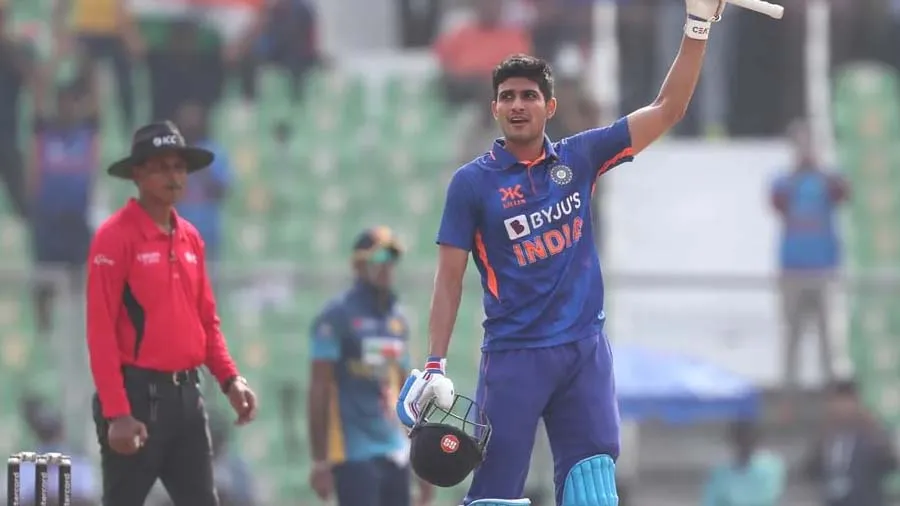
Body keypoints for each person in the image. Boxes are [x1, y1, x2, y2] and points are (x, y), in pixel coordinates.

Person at [396, 0, 726, 503]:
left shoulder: (581, 156)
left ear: (550, 107)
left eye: (529, 95)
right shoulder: (471, 184)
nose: (517, 105)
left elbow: (668, 109)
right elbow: (449, 279)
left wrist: (697, 26)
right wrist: (436, 363)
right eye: (507, 96)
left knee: (593, 486)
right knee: (495, 495)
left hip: (583, 351)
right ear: (495, 108)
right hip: (514, 357)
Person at [85, 121, 259, 506]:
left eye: (179, 167)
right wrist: (117, 413)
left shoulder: (190, 238)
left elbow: (206, 322)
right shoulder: (114, 237)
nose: (174, 176)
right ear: (137, 174)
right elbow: (100, 331)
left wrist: (230, 380)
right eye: (161, 167)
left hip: (188, 398)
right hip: (137, 399)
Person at [308, 227, 434, 506]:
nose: (386, 267)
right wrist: (320, 461)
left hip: (396, 452)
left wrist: (421, 460)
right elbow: (319, 388)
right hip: (353, 455)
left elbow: (407, 393)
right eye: (378, 259)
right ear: (358, 265)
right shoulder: (336, 317)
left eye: (391, 259)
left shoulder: (397, 319)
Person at [770, 119, 848, 415]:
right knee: (792, 334)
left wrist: (820, 168)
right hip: (792, 269)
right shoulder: (785, 179)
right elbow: (776, 202)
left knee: (827, 335)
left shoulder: (827, 179)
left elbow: (843, 193)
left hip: (822, 269)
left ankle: (831, 396)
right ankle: (789, 397)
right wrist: (797, 171)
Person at [805, 379, 898, 506]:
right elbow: (811, 469)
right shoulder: (825, 436)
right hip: (834, 501)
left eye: (846, 402)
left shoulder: (871, 435)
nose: (842, 407)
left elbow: (889, 464)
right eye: (837, 402)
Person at [701, 421, 786, 506]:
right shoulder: (720, 475)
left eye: (748, 436)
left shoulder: (773, 467)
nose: (744, 442)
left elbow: (772, 496)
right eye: (741, 437)